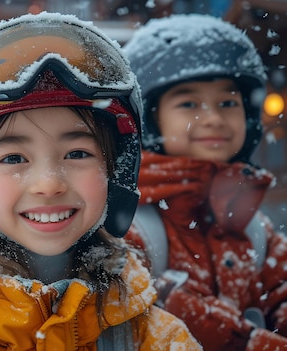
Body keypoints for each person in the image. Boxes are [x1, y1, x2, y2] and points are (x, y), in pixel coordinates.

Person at [0, 12, 201, 350]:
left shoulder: (156, 337)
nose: (48, 184)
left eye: (77, 154)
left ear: (116, 171)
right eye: (14, 158)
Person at [123, 14, 287, 350]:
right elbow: (161, 314)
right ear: (150, 118)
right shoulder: (128, 223)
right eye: (189, 103)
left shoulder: (255, 229)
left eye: (227, 103)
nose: (213, 118)